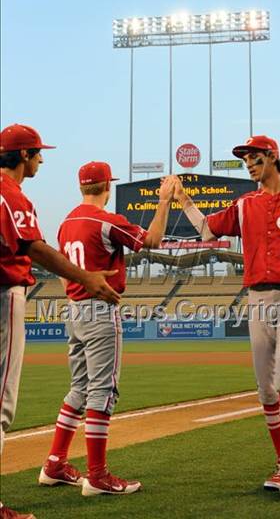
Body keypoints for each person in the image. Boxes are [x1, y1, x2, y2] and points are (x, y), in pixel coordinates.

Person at [173, 135, 280, 500]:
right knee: (265, 388)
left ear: (272, 157)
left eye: (254, 158)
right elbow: (208, 230)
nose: (249, 164)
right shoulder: (244, 204)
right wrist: (184, 200)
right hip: (257, 298)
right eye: (245, 160)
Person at [0, 125, 120, 519]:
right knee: (2, 404)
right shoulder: (9, 192)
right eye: (36, 153)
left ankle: (56, 464)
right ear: (21, 156)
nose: (41, 159)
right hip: (5, 294)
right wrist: (86, 277)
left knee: (75, 388)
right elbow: (31, 247)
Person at [38, 162, 176, 497]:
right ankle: (97, 476)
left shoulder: (67, 221)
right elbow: (154, 239)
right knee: (103, 390)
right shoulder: (106, 220)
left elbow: (63, 271)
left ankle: (55, 463)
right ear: (106, 186)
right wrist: (165, 200)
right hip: (100, 308)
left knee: (79, 389)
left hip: (73, 309)